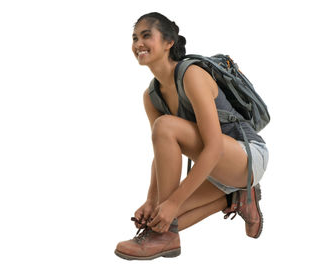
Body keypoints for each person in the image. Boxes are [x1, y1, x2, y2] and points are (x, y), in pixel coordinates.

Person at [114, 12, 269, 260]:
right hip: (216, 169)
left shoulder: (191, 75)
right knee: (160, 220)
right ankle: (239, 197)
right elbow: (161, 154)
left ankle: (163, 238)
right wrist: (151, 200)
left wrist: (173, 202)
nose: (138, 44)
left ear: (168, 42)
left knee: (165, 130)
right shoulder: (151, 96)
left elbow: (215, 146)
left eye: (146, 35)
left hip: (246, 156)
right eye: (134, 38)